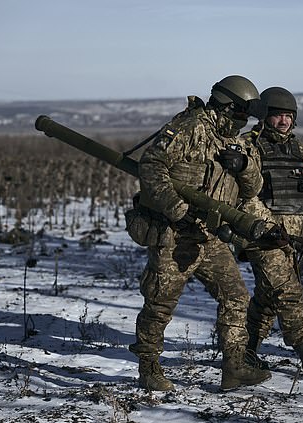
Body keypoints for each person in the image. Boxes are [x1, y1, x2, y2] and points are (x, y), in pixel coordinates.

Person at [128, 75, 272, 391]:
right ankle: (149, 366)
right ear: (227, 106)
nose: (242, 122)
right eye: (240, 114)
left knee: (236, 297)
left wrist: (244, 165)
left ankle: (234, 367)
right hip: (174, 235)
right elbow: (151, 167)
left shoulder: (233, 139)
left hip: (211, 236)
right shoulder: (187, 128)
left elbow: (252, 188)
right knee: (159, 303)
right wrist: (178, 210)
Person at [238, 87, 303, 377]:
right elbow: (245, 197)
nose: (284, 121)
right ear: (264, 116)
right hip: (262, 236)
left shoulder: (300, 149)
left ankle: (244, 351)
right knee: (288, 292)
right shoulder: (248, 146)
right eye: (277, 115)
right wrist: (269, 228)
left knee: (268, 298)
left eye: (288, 116)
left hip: (295, 239)